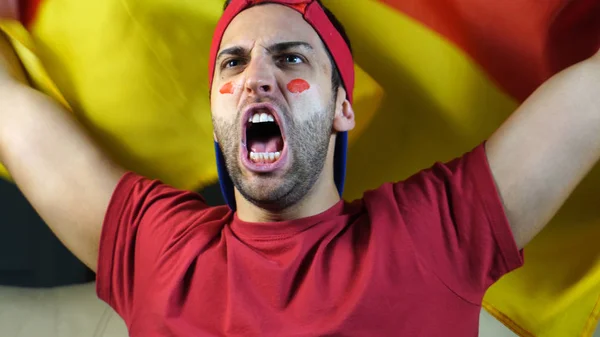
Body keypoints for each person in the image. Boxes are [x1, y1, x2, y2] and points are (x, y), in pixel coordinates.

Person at [0, 0, 598, 335]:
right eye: (232, 64)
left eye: (289, 57)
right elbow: (12, 112)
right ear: (216, 115)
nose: (255, 76)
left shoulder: (431, 237)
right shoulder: (157, 250)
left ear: (342, 106)